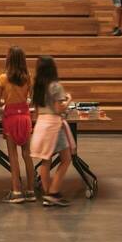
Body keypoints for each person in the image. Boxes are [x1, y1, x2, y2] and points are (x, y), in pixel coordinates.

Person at [28, 56, 77, 207]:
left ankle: (47, 191)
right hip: (54, 124)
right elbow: (59, 108)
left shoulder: (36, 86)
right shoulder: (55, 86)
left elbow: (35, 108)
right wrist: (69, 99)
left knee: (45, 159)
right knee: (66, 158)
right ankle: (53, 192)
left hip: (41, 123)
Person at [0, 46, 37, 204]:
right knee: (27, 154)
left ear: (9, 59)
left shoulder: (2, 78)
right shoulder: (28, 77)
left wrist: (6, 101)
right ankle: (31, 191)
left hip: (10, 118)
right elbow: (32, 100)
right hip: (25, 117)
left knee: (13, 156)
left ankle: (17, 191)